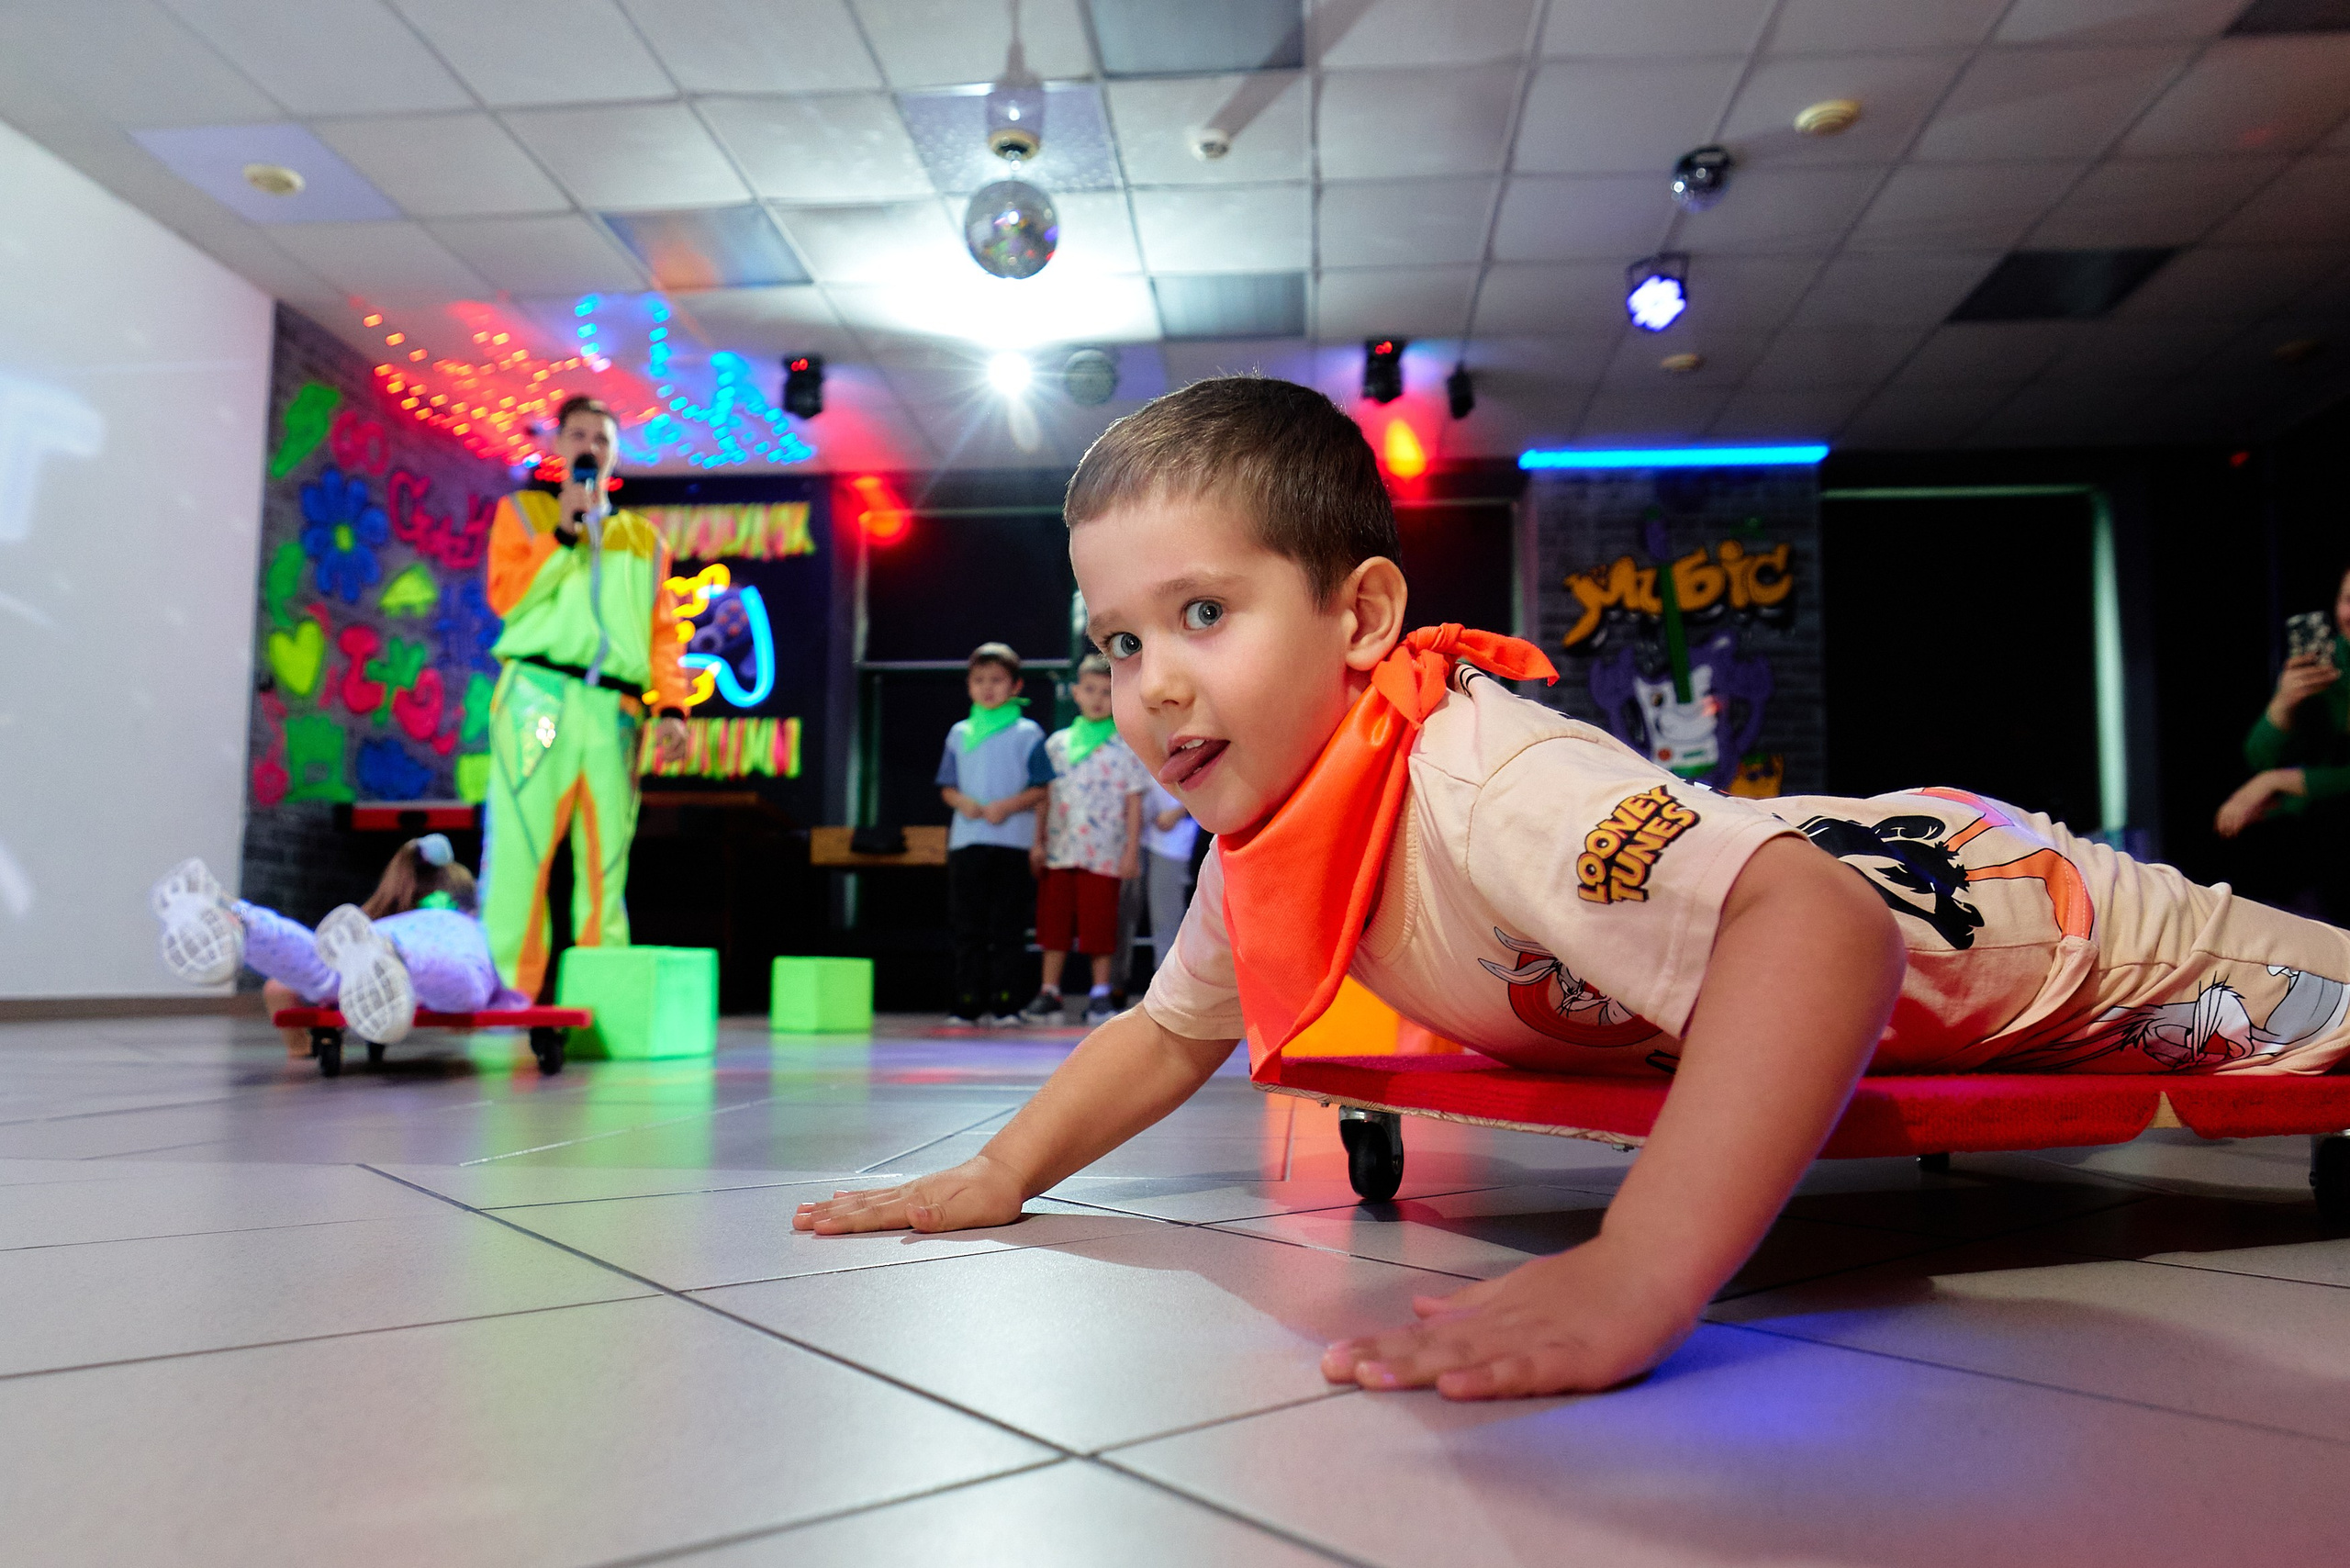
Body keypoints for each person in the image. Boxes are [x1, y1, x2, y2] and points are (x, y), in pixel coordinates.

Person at [797, 376, 2350, 1404]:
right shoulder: (1275, 833)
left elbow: (1823, 925)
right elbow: (1167, 1027)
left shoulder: (1485, 776)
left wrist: (1643, 1264)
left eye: (1204, 611)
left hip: (2051, 930)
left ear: (1362, 616)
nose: (1151, 682)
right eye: (1122, 639)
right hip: (1907, 908)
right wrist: (1001, 1169)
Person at [482, 396, 690, 1001]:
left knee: (607, 862)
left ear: (615, 454)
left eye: (601, 439)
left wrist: (672, 706)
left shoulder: (644, 539)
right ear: (556, 445)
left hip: (615, 710)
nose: (589, 447)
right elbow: (507, 597)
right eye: (578, 435)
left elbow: (662, 632)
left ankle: (603, 999)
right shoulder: (523, 514)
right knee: (521, 850)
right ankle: (507, 996)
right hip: (537, 695)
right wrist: (563, 532)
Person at [152, 835, 524, 1052]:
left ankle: (241, 917)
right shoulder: (467, 926)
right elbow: (489, 996)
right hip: (422, 950)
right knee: (467, 986)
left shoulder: (377, 925)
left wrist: (299, 1048)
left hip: (382, 939)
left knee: (323, 969)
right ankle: (401, 959)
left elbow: (278, 989)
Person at [1022, 654, 1150, 1024]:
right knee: (1054, 923)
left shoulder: (1125, 747)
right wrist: (1037, 842)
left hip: (1104, 852)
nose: (1097, 699)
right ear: (1076, 693)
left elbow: (1134, 803)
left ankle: (1099, 993)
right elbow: (1044, 798)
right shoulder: (1057, 745)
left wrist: (1131, 851)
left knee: (1099, 924)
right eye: (1090, 690)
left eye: (1106, 692)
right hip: (1060, 850)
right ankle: (1049, 991)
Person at [2218, 566, 2350, 920]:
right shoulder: (2328, 661)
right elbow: (2259, 758)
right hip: (2317, 842)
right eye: (2347, 600)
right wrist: (2283, 706)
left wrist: (2274, 782)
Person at [937, 642, 1052, 1025]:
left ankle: (1007, 1003)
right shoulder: (959, 733)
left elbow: (1041, 788)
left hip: (1013, 843)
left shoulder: (1028, 732)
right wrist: (962, 802)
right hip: (967, 842)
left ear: (1016, 686)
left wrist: (1008, 806)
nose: (988, 688)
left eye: (997, 680)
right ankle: (966, 1003)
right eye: (980, 680)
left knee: (1008, 927)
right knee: (967, 926)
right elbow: (947, 786)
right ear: (969, 685)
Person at [1138, 778, 1198, 975]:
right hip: (1137, 838)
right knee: (1130, 918)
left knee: (1167, 920)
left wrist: (1179, 812)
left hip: (1174, 844)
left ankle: (1170, 983)